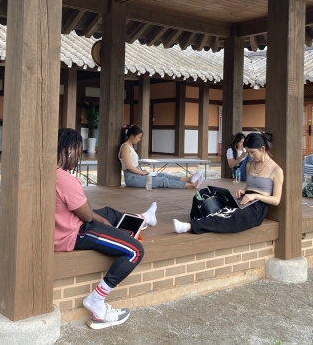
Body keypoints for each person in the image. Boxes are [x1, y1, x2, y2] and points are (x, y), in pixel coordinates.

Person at [56, 128, 158, 329]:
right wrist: (97, 219)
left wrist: (101, 219)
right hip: (73, 234)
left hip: (65, 224)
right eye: (78, 152)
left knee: (108, 213)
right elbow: (86, 216)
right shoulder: (66, 180)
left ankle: (145, 218)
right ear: (69, 150)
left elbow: (84, 211)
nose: (78, 158)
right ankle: (96, 300)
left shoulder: (52, 172)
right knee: (135, 251)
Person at [173, 131, 283, 234]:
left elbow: (276, 200)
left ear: (262, 149)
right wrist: (243, 190)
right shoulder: (250, 165)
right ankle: (201, 220)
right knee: (204, 196)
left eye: (252, 152)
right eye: (248, 152)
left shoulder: (276, 170)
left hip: (257, 208)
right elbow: (249, 186)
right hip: (245, 200)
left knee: (231, 215)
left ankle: (190, 226)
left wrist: (255, 196)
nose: (250, 156)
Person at [119, 125, 203, 189]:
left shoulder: (130, 146)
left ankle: (189, 178)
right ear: (132, 136)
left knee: (163, 174)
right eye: (138, 137)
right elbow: (128, 166)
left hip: (137, 174)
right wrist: (141, 172)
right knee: (162, 180)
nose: (139, 139)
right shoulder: (125, 147)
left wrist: (142, 172)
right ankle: (192, 185)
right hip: (132, 178)